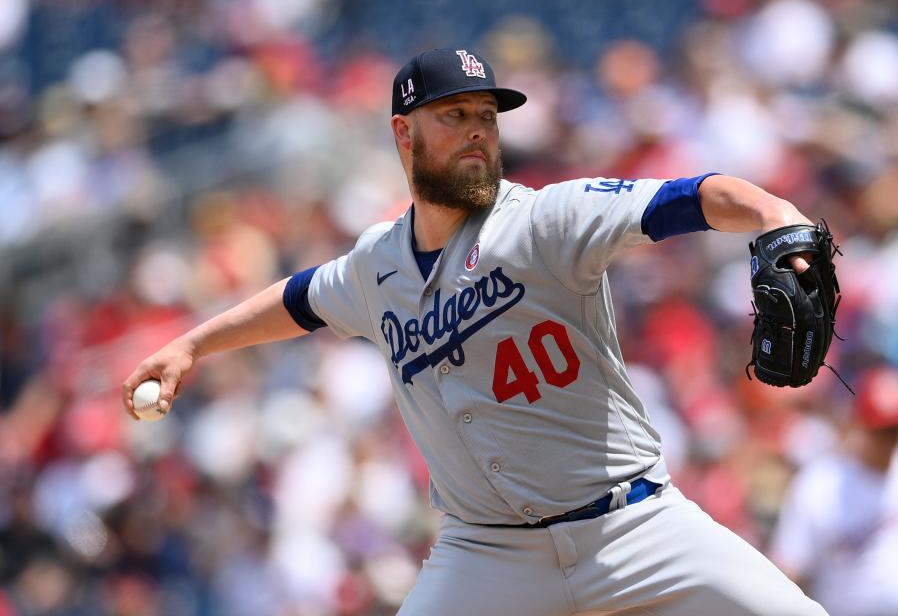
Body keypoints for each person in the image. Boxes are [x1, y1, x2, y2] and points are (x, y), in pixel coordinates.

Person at [123, 47, 826, 615]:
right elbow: (301, 298)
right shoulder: (376, 265)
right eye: (454, 114)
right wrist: (193, 344)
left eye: (487, 116)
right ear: (404, 133)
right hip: (487, 557)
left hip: (633, 525)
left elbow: (686, 198)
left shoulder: (548, 219)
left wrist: (769, 212)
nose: (477, 132)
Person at [771, 367, 898, 616]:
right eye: (881, 431)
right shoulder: (821, 483)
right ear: (860, 426)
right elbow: (789, 568)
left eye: (896, 430)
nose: (889, 440)